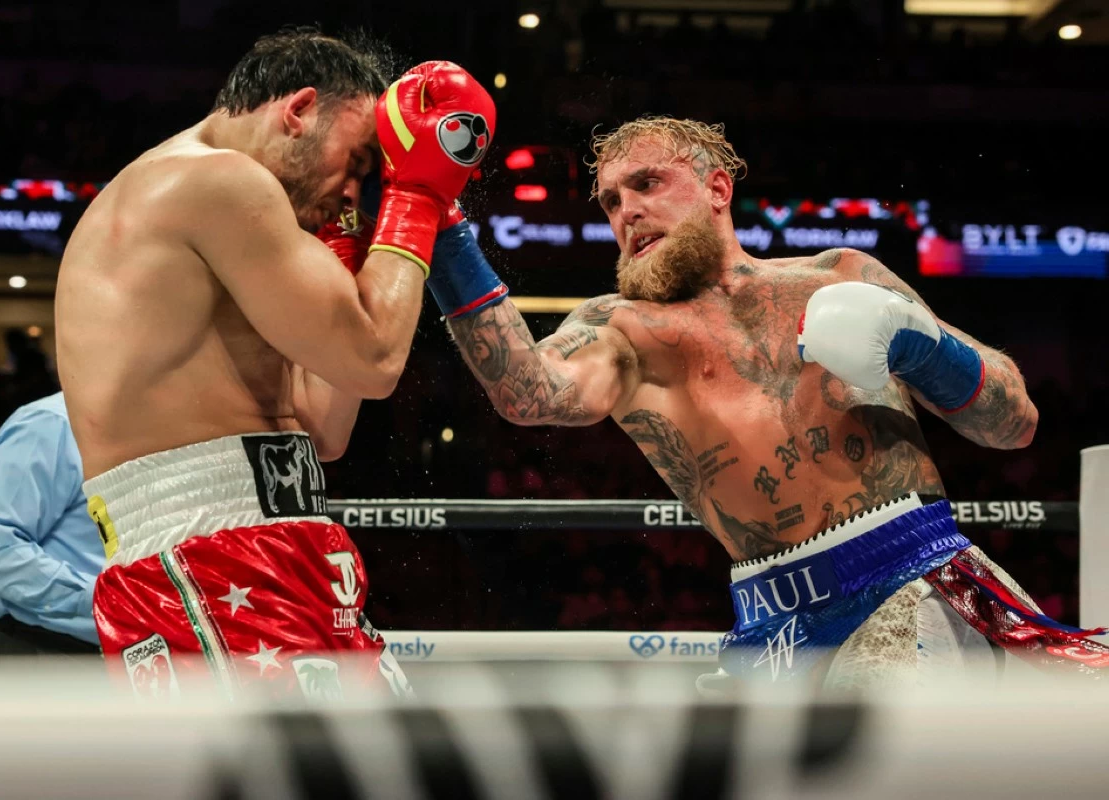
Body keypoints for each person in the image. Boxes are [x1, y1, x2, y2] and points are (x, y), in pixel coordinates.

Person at [425, 116, 1108, 686]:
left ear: (717, 188)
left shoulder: (842, 277)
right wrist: (440, 220)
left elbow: (1014, 423)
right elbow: (525, 390)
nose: (627, 211)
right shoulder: (622, 331)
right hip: (773, 629)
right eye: (609, 201)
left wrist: (923, 347)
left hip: (914, 582)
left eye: (647, 183)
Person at [54, 28, 495, 699]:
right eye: (357, 161)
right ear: (299, 110)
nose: (355, 192)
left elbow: (327, 425)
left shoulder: (247, 220)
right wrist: (417, 198)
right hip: (206, 553)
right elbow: (376, 359)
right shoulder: (213, 181)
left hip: (283, 546)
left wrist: (348, 251)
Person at [0, 392, 103, 657]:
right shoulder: (51, 424)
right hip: (45, 652)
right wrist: (107, 598)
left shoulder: (160, 430)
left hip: (133, 658)